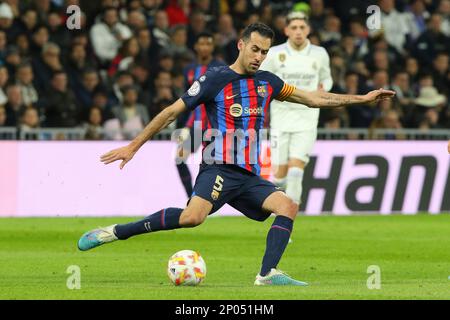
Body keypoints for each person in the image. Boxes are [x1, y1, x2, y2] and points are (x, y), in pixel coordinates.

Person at [77, 23, 395, 286]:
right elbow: (171, 112)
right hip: (218, 167)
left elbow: (313, 99)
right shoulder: (214, 79)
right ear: (241, 45)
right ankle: (114, 232)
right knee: (192, 218)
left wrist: (363, 98)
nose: (259, 57)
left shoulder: (268, 82)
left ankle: (267, 274)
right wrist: (133, 146)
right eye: (255, 49)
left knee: (288, 206)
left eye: (265, 52)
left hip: (248, 176)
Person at [260, 12, 333, 209]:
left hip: (307, 118)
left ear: (308, 30)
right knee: (280, 176)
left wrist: (323, 88)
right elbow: (262, 79)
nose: (298, 32)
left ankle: (286, 223)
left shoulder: (319, 53)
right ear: (286, 31)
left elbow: (327, 78)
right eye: (294, 28)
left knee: (295, 172)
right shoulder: (274, 54)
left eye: (302, 28)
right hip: (281, 118)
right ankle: (279, 209)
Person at [176, 32, 226, 197]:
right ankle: (191, 196)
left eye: (208, 44)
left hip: (214, 125)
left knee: (209, 165)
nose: (205, 47)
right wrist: (183, 126)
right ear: (196, 47)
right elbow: (185, 99)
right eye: (202, 44)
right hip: (195, 126)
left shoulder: (220, 67)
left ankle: (204, 199)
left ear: (212, 47)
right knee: (179, 159)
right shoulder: (189, 70)